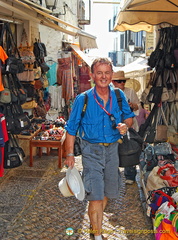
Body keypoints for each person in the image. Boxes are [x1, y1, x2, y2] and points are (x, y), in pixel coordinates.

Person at [64, 58, 135, 240]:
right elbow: (71, 129)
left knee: (107, 193)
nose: (103, 76)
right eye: (99, 73)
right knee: (95, 195)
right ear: (92, 75)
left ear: (111, 75)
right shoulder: (83, 99)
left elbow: (129, 118)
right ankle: (97, 234)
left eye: (107, 73)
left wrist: (125, 126)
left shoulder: (118, 96)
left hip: (112, 151)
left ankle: (94, 222)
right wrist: (70, 154)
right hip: (91, 151)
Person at [112, 71, 140, 185]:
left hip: (130, 124)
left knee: (130, 148)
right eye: (119, 81)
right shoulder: (109, 93)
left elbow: (138, 105)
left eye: (123, 81)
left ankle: (130, 175)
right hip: (115, 126)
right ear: (113, 82)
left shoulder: (130, 91)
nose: (122, 83)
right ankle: (114, 175)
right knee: (114, 150)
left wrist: (132, 105)